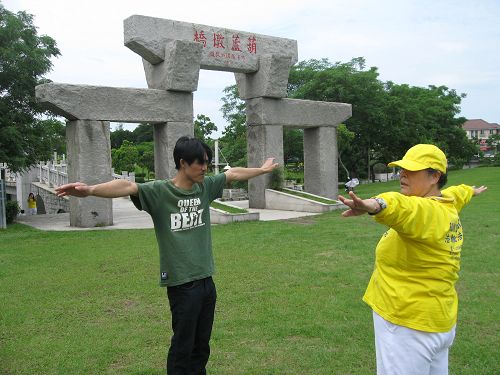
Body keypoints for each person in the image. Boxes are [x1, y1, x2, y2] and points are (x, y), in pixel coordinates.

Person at [55, 136, 278, 375]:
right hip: (182, 285)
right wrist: (89, 190)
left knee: (201, 347)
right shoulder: (160, 192)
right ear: (183, 163)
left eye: (206, 163)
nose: (205, 168)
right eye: (199, 163)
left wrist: (262, 170)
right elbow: (128, 186)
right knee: (183, 347)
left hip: (206, 281)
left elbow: (233, 174)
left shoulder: (204, 187)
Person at [337, 144, 487, 375]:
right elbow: (456, 193)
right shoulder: (446, 203)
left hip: (408, 324)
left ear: (435, 176)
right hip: (438, 321)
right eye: (402, 169)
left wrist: (376, 205)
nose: (402, 175)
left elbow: (402, 207)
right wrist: (470, 190)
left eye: (412, 170)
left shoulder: (427, 211)